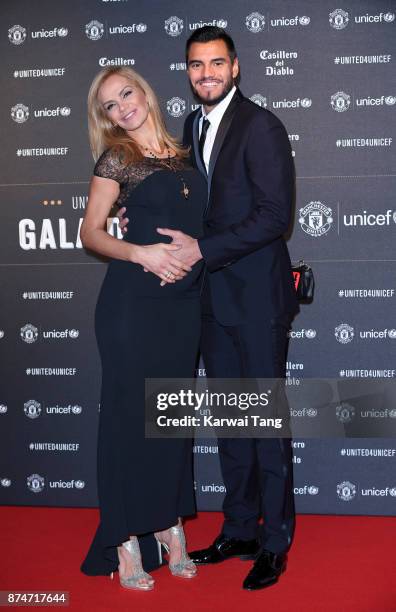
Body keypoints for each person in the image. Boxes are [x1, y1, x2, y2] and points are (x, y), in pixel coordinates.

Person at [120, 26, 299, 591]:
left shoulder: (262, 126)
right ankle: (241, 528)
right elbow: (188, 204)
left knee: (264, 424)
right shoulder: (191, 127)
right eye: (196, 66)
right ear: (188, 71)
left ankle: (274, 543)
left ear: (236, 67)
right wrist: (136, 222)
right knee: (231, 423)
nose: (206, 74)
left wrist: (204, 250)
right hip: (210, 301)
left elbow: (275, 215)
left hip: (256, 299)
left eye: (216, 64)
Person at [80, 66, 207, 591]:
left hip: (182, 308)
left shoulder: (187, 151)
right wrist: (141, 253)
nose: (122, 107)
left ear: (144, 92)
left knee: (171, 420)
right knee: (128, 422)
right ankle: (125, 539)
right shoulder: (118, 159)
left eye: (125, 94)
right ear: (106, 117)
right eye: (110, 105)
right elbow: (90, 231)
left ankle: (168, 525)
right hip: (132, 307)